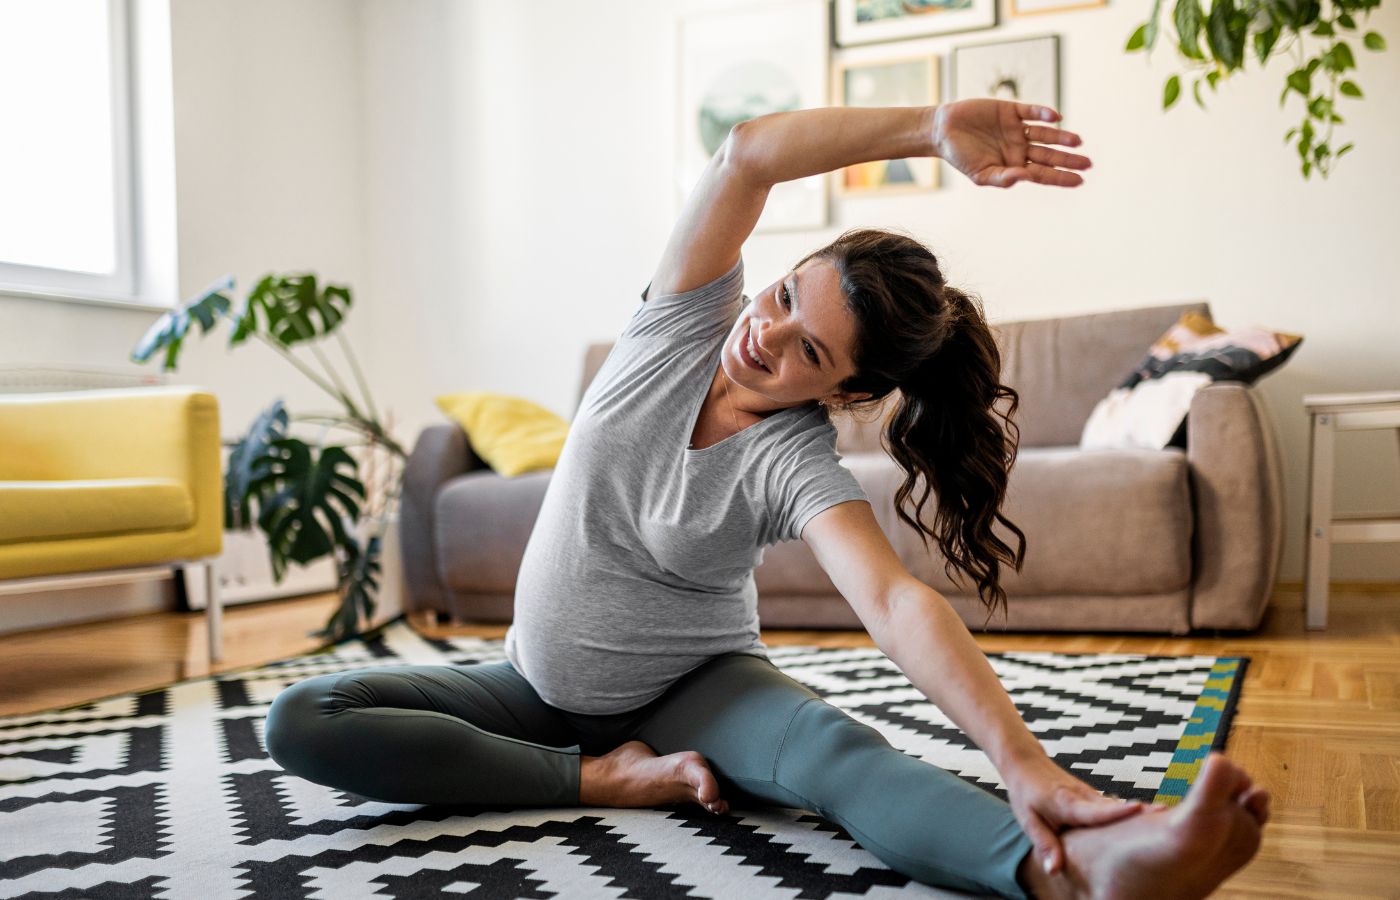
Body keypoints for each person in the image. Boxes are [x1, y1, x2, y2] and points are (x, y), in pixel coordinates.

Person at [264, 99, 1270, 899]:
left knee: (835, 753)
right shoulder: (679, 321)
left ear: (841, 391)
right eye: (785, 296)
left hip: (692, 692)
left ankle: (1072, 873)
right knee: (305, 718)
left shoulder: (792, 461)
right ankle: (595, 780)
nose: (766, 337)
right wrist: (926, 130)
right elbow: (745, 154)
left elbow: (891, 602)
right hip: (528, 688)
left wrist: (1021, 762)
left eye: (810, 352)